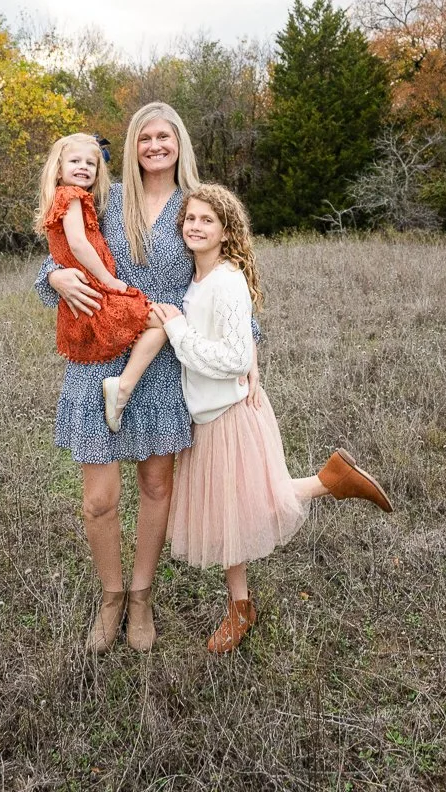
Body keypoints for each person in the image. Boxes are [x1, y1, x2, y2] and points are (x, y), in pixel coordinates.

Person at [156, 183, 394, 654]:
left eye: (207, 220)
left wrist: (178, 332)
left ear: (226, 231)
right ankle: (331, 482)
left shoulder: (226, 281)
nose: (196, 226)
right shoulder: (196, 279)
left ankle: (328, 485)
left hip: (228, 412)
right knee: (234, 510)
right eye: (190, 219)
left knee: (244, 508)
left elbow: (234, 355)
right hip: (206, 412)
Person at [39, 101, 202, 652]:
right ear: (131, 146)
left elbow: (230, 275)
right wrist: (55, 276)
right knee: (99, 501)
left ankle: (140, 597)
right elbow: (60, 249)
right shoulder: (106, 202)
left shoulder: (196, 207)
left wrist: (245, 344)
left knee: (156, 485)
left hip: (160, 360)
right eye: (144, 137)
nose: (155, 146)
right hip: (96, 357)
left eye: (165, 136)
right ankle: (109, 596)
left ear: (179, 142)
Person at [37, 132, 172, 432]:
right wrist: (109, 279)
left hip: (94, 289)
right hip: (97, 291)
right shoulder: (71, 198)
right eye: (74, 161)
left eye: (91, 163)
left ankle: (121, 387)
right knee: (161, 322)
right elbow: (77, 245)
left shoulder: (82, 199)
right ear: (58, 169)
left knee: (156, 323)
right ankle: (121, 388)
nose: (83, 167)